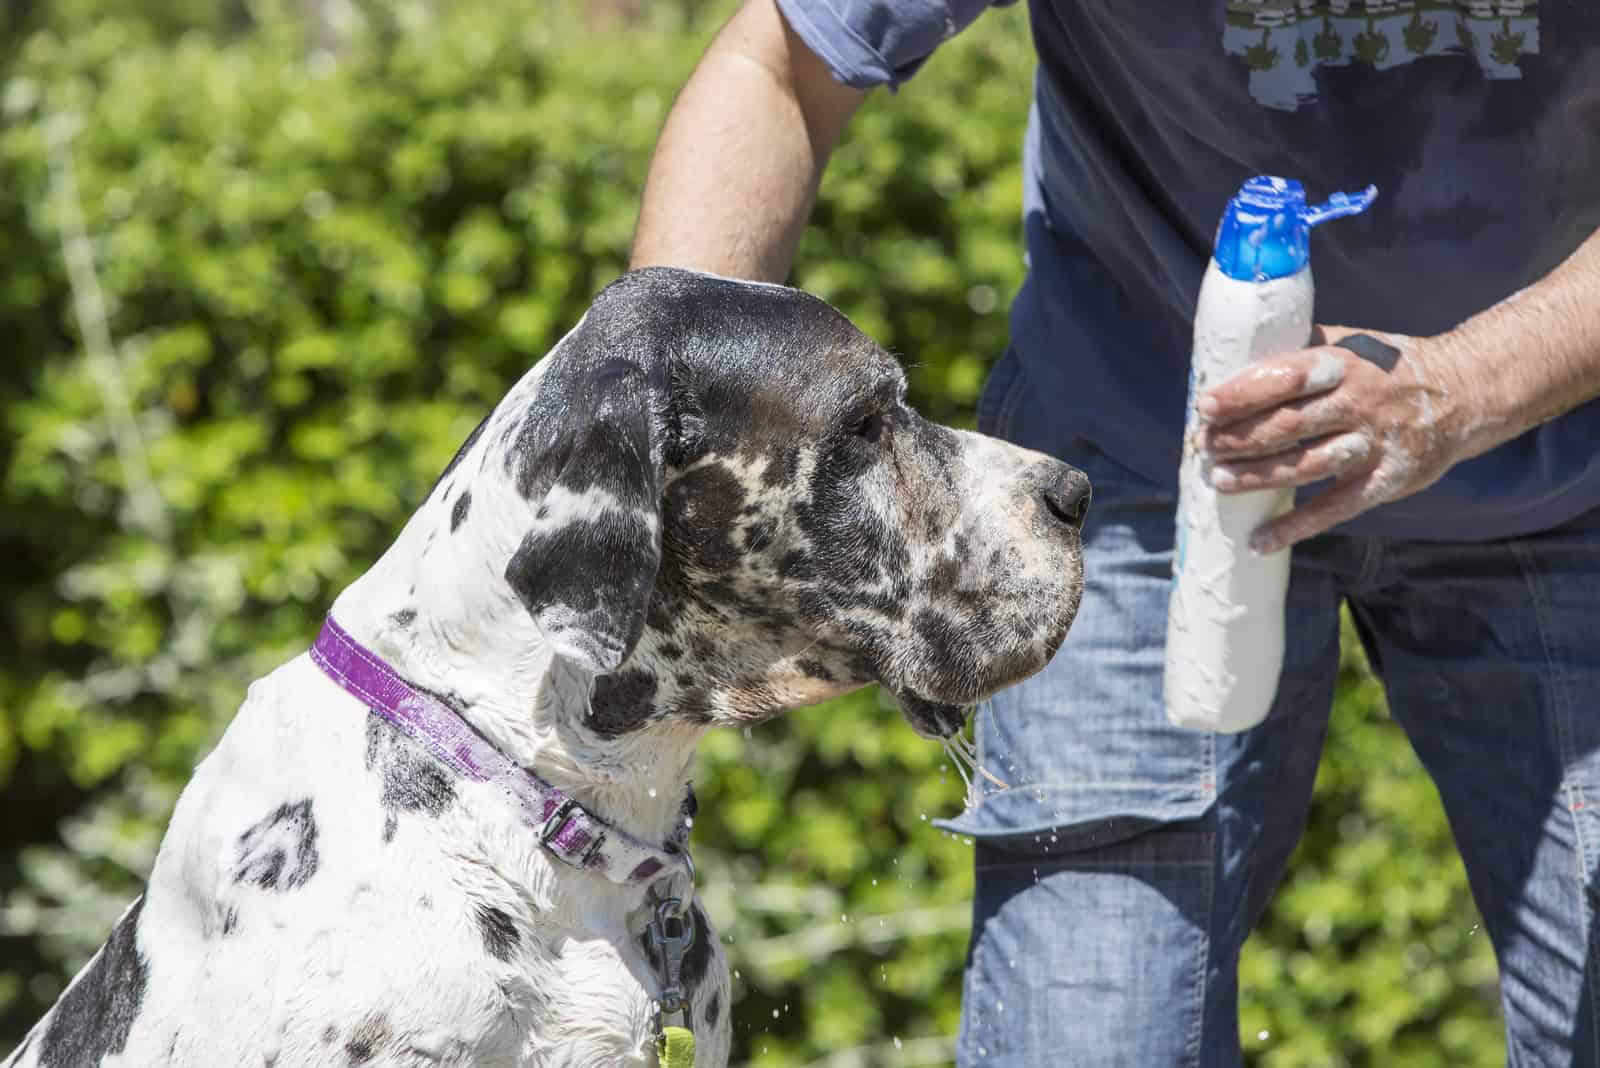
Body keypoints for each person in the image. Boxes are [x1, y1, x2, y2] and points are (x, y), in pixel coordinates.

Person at [629, 0, 1600, 1062]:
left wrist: (1459, 389)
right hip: (1133, 458)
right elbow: (781, 68)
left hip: (1562, 462)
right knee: (1093, 1034)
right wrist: (668, 443)